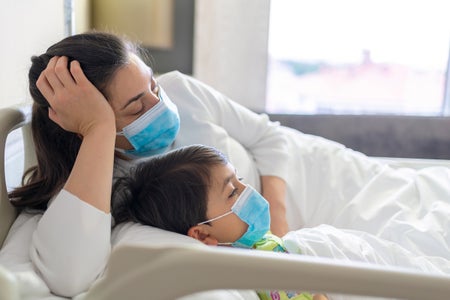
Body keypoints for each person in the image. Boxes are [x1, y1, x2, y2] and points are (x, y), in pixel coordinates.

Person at [5, 31, 450, 297]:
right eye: (136, 107)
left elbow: (269, 135)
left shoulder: (184, 91)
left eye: (153, 87)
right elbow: (69, 273)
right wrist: (99, 131)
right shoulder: (106, 177)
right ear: (86, 122)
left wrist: (278, 219)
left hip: (308, 176)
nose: (161, 106)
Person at [112, 144, 328, 300]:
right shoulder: (251, 272)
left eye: (239, 180)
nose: (249, 191)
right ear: (202, 235)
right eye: (233, 192)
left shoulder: (257, 243)